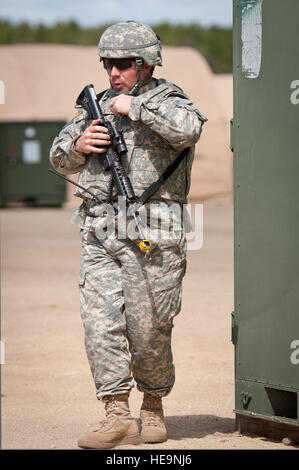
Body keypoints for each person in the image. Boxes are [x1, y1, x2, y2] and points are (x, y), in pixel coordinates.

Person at [50, 20, 207, 450]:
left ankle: (152, 405)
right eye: (108, 64)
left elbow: (189, 129)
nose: (113, 73)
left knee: (149, 327)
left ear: (146, 63)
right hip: (100, 231)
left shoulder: (168, 100)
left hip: (153, 234)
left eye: (123, 64)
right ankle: (116, 412)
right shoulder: (93, 106)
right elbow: (58, 156)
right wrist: (80, 144)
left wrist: (133, 108)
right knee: (100, 323)